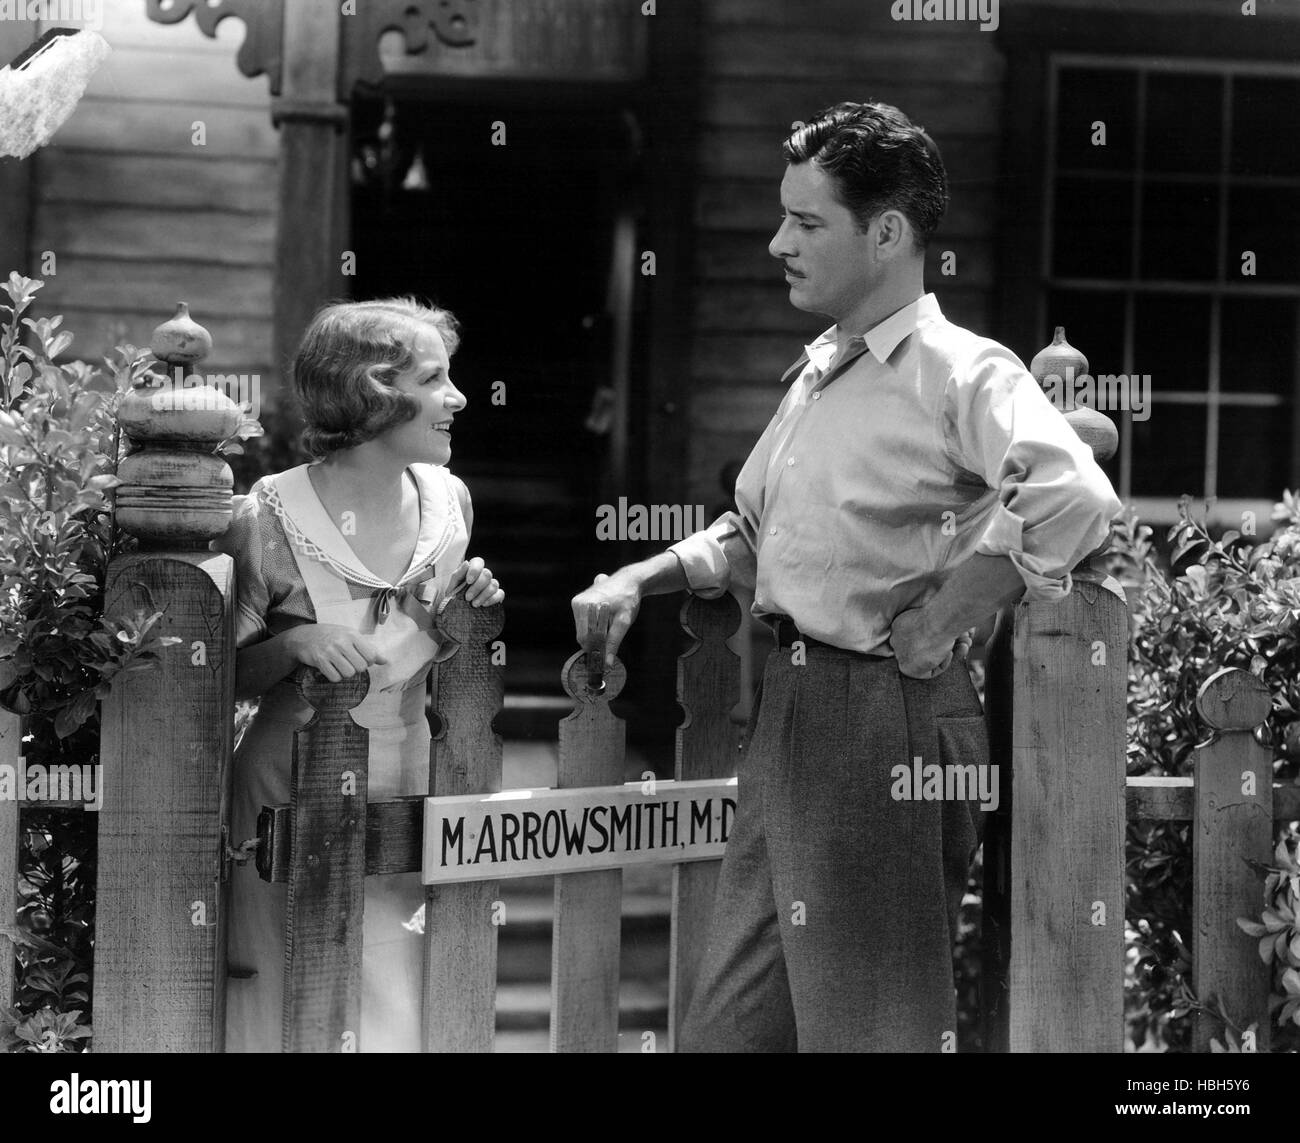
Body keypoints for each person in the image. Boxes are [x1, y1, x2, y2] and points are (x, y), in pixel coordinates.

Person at [570, 102, 1122, 1051]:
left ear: (889, 233)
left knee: (875, 1034)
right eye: (784, 216)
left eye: (807, 222)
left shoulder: (961, 372)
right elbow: (755, 532)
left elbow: (1074, 495)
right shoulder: (822, 367)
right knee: (730, 1034)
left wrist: (951, 610)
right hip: (787, 712)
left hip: (886, 718)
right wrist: (643, 575)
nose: (779, 241)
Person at [215, 297, 504, 1052]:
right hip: (286, 794)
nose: (459, 397)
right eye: (436, 380)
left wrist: (459, 615)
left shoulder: (451, 504)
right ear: (374, 393)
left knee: (397, 1007)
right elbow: (216, 677)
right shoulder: (268, 516)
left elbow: (425, 645)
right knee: (290, 1010)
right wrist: (294, 644)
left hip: (412, 783)